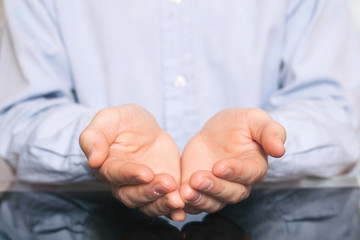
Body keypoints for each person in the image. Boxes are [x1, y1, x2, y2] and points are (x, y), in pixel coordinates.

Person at [0, 0, 359, 222]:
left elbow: (334, 114)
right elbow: (20, 115)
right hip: (80, 223)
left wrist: (264, 137)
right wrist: (97, 138)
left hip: (271, 223)